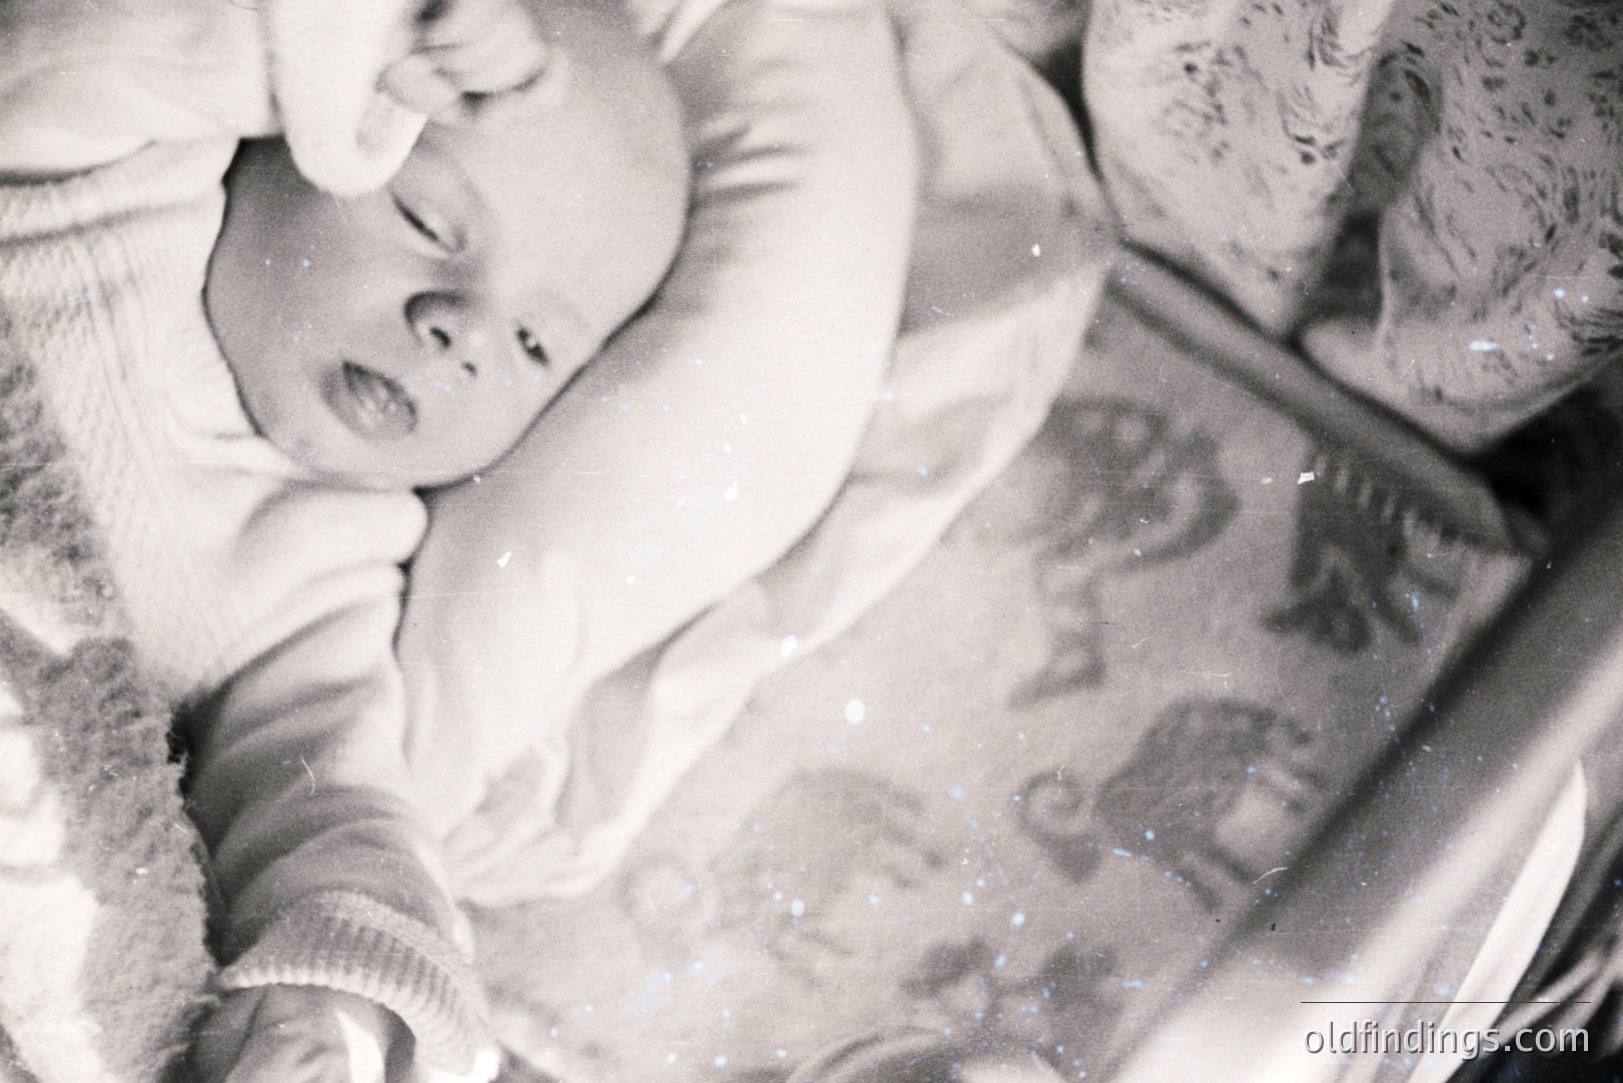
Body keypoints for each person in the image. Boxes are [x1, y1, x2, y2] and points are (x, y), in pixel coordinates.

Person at [0, 0, 687, 1077]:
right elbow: (65, 59)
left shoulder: (321, 569)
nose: (461, 329)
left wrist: (343, 1002)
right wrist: (335, 46)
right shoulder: (109, 186)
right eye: (429, 223)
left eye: (537, 341)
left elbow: (337, 802)